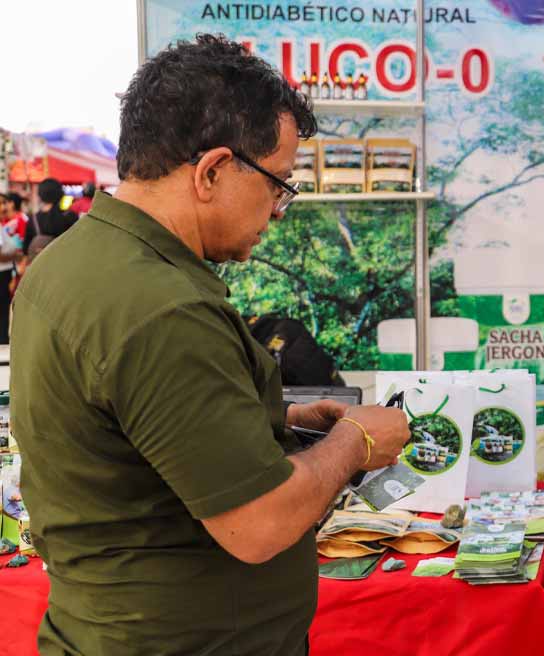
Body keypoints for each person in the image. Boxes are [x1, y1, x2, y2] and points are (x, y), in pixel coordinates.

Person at [10, 34, 411, 656]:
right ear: (212, 171)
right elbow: (260, 523)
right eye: (278, 184)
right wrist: (354, 443)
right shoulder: (162, 306)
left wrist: (279, 419)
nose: (278, 210)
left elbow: (133, 432)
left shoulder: (69, 262)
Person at [23, 177, 77, 259]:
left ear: (40, 195)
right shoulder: (70, 216)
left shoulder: (33, 219)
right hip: (65, 262)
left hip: (41, 267)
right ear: (60, 194)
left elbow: (25, 249)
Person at [0, 192, 27, 340]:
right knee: (3, 315)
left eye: (5, 203)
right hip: (2, 274)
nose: (4, 207)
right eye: (1, 203)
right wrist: (16, 256)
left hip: (5, 273)